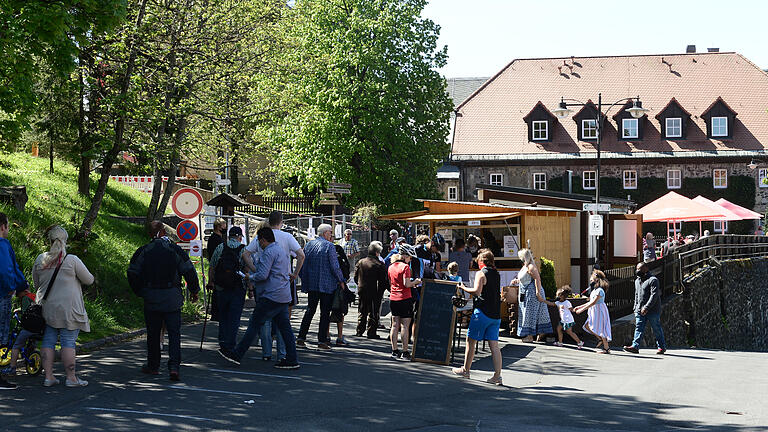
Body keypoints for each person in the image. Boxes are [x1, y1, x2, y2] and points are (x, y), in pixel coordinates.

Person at [128, 221, 200, 381]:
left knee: (153, 333)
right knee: (174, 334)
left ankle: (153, 365)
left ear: (150, 234)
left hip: (151, 297)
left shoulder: (143, 251)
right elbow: (189, 270)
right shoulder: (174, 250)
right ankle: (174, 366)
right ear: (163, 232)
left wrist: (139, 291)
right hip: (172, 297)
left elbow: (132, 272)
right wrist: (194, 291)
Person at [219, 227, 300, 369]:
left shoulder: (268, 252)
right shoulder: (280, 250)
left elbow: (263, 275)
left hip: (271, 295)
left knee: (254, 325)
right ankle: (292, 358)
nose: (259, 244)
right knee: (285, 328)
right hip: (283, 294)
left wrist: (249, 277)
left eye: (259, 241)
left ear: (263, 239)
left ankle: (237, 354)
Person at [34, 225, 94, 387]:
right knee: (68, 342)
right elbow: (89, 280)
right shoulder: (72, 260)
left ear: (50, 241)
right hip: (69, 310)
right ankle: (71, 378)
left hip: (47, 309)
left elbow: (37, 284)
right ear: (65, 241)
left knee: (48, 340)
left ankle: (49, 377)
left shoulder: (40, 259)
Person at [451, 250, 503, 385]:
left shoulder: (481, 273)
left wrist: (463, 287)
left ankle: (466, 370)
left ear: (481, 261)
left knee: (471, 341)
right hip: (495, 314)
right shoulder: (496, 274)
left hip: (482, 313)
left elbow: (477, 291)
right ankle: (497, 376)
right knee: (494, 346)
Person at [296, 224, 346, 350]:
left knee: (310, 310)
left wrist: (304, 278)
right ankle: (322, 341)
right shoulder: (329, 246)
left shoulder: (308, 245)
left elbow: (302, 262)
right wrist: (341, 280)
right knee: (325, 313)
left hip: (312, 284)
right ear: (325, 233)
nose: (331, 235)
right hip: (327, 284)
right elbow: (335, 266)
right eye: (330, 232)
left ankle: (301, 337)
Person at [209, 226, 252, 357]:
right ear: (239, 237)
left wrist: (211, 282)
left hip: (221, 287)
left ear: (229, 236)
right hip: (238, 288)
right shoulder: (244, 249)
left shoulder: (220, 247)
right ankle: (231, 344)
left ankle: (222, 342)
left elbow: (212, 266)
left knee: (223, 315)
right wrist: (250, 289)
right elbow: (247, 271)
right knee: (234, 317)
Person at [0, 212, 27, 390]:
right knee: (1, 336)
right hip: (2, 294)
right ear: (3, 226)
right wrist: (15, 287)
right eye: (8, 226)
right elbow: (7, 270)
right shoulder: (3, 244)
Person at [623, 262, 666, 355]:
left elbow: (654, 295)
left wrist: (646, 307)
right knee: (639, 327)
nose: (638, 271)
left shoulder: (653, 280)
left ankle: (661, 347)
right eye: (637, 269)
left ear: (646, 268)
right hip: (639, 310)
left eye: (640, 269)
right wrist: (635, 308)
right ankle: (635, 346)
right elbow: (636, 295)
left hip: (653, 310)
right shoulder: (637, 281)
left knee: (656, 328)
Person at [387, 244, 421, 360]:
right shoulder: (405, 267)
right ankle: (405, 351)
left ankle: (394, 350)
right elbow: (406, 284)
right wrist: (415, 282)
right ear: (405, 256)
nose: (410, 259)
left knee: (394, 325)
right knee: (405, 326)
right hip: (404, 298)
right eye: (410, 257)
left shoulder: (391, 267)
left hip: (393, 298)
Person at [515, 248, 553, 343]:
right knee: (533, 313)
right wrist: (517, 281)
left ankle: (530, 336)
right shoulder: (525, 266)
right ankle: (540, 333)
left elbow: (537, 279)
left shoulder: (531, 266)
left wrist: (538, 293)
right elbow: (524, 278)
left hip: (532, 293)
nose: (520, 259)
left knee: (531, 314)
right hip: (526, 293)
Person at [354, 241, 389, 339]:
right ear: (377, 253)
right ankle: (371, 332)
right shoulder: (379, 264)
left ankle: (359, 330)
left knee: (362, 309)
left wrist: (359, 284)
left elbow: (355, 277)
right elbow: (383, 280)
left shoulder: (361, 262)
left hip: (362, 289)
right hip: (375, 290)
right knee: (373, 312)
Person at [574, 270, 612, 354]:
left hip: (599, 310)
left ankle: (606, 348)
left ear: (597, 280)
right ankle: (599, 339)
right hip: (594, 310)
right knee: (587, 326)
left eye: (591, 279)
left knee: (601, 328)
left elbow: (593, 302)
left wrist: (581, 309)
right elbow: (590, 302)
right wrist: (579, 307)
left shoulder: (600, 290)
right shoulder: (594, 290)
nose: (590, 281)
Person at [1, 289, 37, 376]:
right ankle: (31, 355)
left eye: (18, 294)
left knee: (16, 346)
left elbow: (26, 312)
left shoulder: (25, 298)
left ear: (24, 291)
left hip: (29, 327)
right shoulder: (34, 296)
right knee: (31, 342)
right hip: (39, 327)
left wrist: (19, 312)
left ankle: (12, 368)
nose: (17, 296)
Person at [330, 242, 352, 346]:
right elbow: (345, 272)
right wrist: (342, 282)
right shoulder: (341, 260)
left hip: (327, 287)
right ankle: (339, 336)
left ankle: (327, 335)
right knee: (340, 311)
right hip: (339, 287)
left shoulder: (328, 259)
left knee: (326, 312)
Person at [206, 218, 227, 320]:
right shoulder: (217, 239)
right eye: (224, 226)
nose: (225, 228)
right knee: (217, 290)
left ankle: (216, 312)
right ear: (219, 227)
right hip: (217, 267)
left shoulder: (213, 238)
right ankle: (216, 313)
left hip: (214, 266)